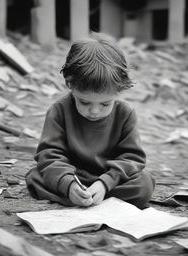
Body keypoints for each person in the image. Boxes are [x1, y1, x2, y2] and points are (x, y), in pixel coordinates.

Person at [26, 32, 155, 209]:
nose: (94, 111)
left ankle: (90, 198)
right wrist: (69, 184)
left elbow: (133, 158)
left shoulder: (125, 113)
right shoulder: (59, 111)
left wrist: (104, 183)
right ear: (70, 85)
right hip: (73, 176)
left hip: (110, 178)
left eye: (105, 104)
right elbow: (49, 155)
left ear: (118, 91)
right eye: (84, 102)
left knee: (144, 183)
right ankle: (82, 197)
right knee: (35, 177)